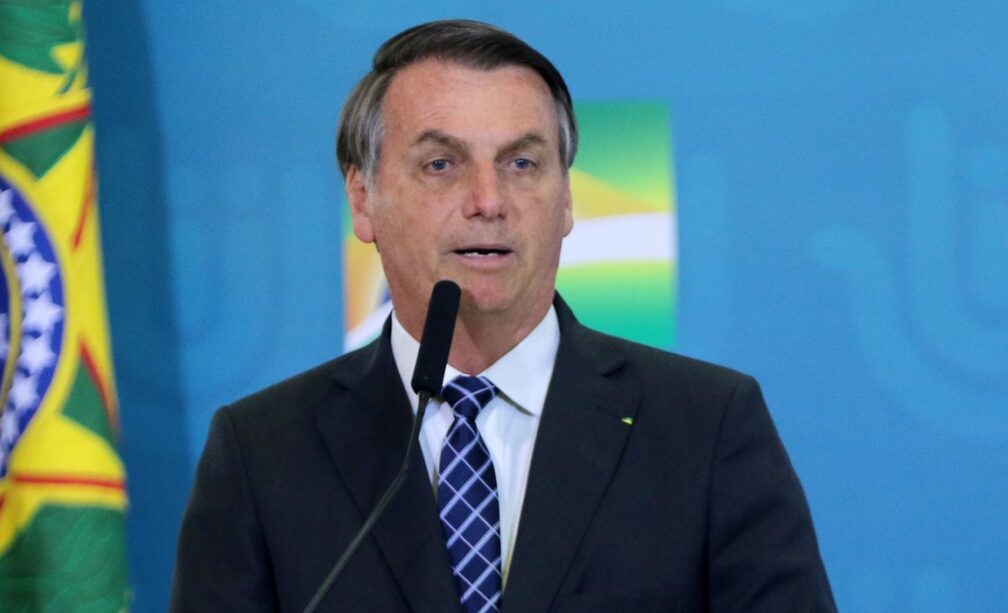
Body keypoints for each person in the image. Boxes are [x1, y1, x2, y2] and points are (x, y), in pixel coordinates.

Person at [171, 20, 836, 612]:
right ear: (363, 198)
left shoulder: (707, 427)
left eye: (522, 163)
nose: (488, 200)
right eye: (441, 164)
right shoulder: (263, 454)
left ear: (566, 198)